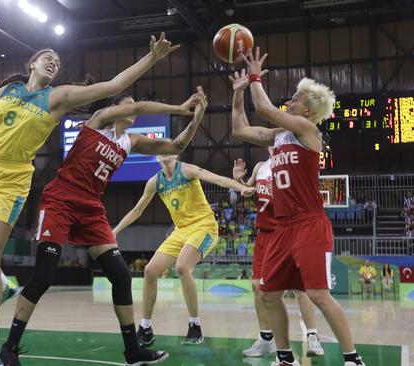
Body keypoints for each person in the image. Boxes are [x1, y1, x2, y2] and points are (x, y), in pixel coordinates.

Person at [0, 32, 180, 364]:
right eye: (47, 57)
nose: (53, 61)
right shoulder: (7, 90)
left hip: (12, 178)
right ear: (32, 63)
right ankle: (3, 285)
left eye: (57, 62)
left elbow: (113, 87)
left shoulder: (57, 98)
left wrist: (152, 58)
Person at [0, 89, 207, 366]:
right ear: (115, 107)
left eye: (135, 105)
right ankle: (9, 349)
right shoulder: (98, 121)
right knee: (44, 275)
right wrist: (181, 107)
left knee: (121, 276)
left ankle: (132, 350)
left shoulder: (130, 141)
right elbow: (144, 104)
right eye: (128, 104)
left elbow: (176, 147)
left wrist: (196, 119)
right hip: (60, 199)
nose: (134, 109)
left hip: (91, 208)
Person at [230, 47, 365, 366]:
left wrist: (254, 77)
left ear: (308, 111)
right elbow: (239, 130)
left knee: (317, 294)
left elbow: (262, 106)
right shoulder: (279, 136)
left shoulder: (307, 132)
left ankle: (353, 358)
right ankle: (285, 357)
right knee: (267, 295)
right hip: (281, 228)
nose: (289, 99)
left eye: (295, 98)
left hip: (309, 224)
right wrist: (238, 94)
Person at [112, 155, 255, 348]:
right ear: (157, 156)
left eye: (169, 146)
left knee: (182, 267)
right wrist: (115, 232)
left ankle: (195, 326)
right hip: (180, 231)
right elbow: (137, 211)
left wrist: (242, 187)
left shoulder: (186, 169)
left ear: (175, 153)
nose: (164, 150)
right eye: (161, 147)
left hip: (204, 226)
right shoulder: (155, 182)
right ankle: (146, 328)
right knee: (150, 271)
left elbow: (217, 179)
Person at [232, 157, 324, 359]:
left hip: (287, 231)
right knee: (257, 285)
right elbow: (248, 191)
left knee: (300, 289)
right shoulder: (260, 167)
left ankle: (312, 336)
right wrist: (239, 180)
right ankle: (266, 338)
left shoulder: (293, 163)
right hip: (264, 234)